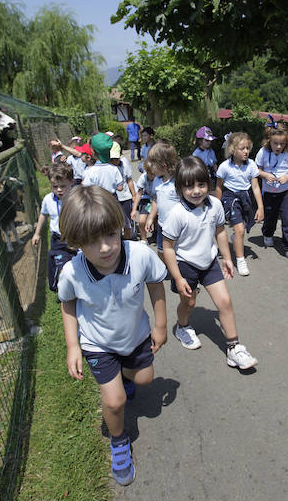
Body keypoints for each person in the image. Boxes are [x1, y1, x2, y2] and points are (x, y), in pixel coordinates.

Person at [56, 185, 168, 486]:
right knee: (116, 401)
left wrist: (160, 324)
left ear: (121, 228)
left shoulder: (141, 255)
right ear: (75, 242)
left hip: (136, 336)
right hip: (98, 344)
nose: (105, 248)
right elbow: (67, 303)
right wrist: (72, 345)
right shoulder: (72, 273)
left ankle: (125, 378)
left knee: (144, 379)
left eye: (110, 235)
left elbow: (156, 284)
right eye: (92, 242)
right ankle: (119, 441)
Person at [162, 157, 258, 370]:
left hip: (209, 262)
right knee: (189, 303)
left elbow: (220, 231)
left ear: (209, 183)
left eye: (201, 184)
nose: (196, 191)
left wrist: (227, 258)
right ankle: (182, 326)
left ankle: (234, 348)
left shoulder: (214, 205)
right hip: (186, 265)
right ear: (179, 188)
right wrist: (177, 277)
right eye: (189, 186)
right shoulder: (176, 214)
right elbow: (167, 247)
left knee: (225, 302)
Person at [214, 132, 264, 277]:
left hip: (246, 197)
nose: (246, 151)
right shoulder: (224, 167)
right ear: (232, 150)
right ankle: (240, 261)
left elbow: (255, 187)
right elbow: (218, 187)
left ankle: (236, 238)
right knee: (240, 229)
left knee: (242, 229)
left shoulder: (251, 165)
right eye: (242, 148)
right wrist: (217, 207)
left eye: (248, 148)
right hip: (230, 198)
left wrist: (260, 207)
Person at [255, 123, 288, 262]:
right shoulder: (262, 152)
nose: (279, 147)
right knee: (270, 217)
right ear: (269, 141)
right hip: (269, 192)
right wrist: (264, 175)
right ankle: (268, 234)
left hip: (287, 191)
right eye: (276, 143)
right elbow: (256, 170)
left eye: (282, 143)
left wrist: (287, 177)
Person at [31, 162, 76, 292]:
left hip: (76, 238)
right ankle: (64, 292)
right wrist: (37, 233)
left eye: (63, 186)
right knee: (61, 267)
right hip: (58, 240)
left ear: (71, 182)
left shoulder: (77, 198)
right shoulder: (48, 200)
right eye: (55, 186)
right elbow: (43, 215)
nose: (59, 190)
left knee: (78, 267)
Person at [143, 141, 181, 257]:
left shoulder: (178, 181)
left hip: (178, 225)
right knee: (161, 250)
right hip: (162, 224)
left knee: (177, 251)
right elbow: (155, 200)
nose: (150, 168)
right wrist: (150, 218)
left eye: (152, 164)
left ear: (163, 165)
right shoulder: (157, 180)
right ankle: (164, 272)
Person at [110, 136, 138, 239]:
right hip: (114, 198)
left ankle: (128, 239)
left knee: (127, 221)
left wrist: (134, 194)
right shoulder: (108, 166)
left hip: (125, 197)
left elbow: (129, 179)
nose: (114, 161)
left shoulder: (124, 163)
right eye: (112, 159)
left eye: (116, 158)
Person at [132, 170, 152, 245]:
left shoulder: (160, 177)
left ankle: (156, 234)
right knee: (141, 220)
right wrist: (134, 209)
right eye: (150, 173)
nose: (153, 176)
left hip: (158, 199)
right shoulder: (143, 177)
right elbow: (139, 194)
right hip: (147, 199)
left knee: (157, 219)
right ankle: (143, 238)